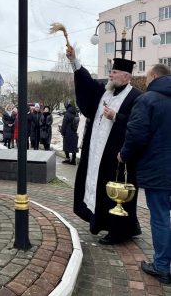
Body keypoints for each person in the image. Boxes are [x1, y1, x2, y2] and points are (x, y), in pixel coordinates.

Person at [66, 45, 142, 245]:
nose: (111, 75)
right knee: (101, 190)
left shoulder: (136, 97)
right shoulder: (105, 92)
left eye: (114, 72)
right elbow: (87, 85)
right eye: (111, 71)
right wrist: (75, 61)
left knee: (118, 192)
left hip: (117, 156)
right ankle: (106, 223)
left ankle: (118, 232)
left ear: (126, 76)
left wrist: (117, 116)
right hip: (96, 153)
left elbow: (138, 126)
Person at [118, 64, 171, 284]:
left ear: (155, 76)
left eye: (147, 77)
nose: (146, 81)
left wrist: (124, 154)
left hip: (159, 171)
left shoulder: (147, 99)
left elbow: (136, 133)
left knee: (160, 218)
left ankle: (161, 266)